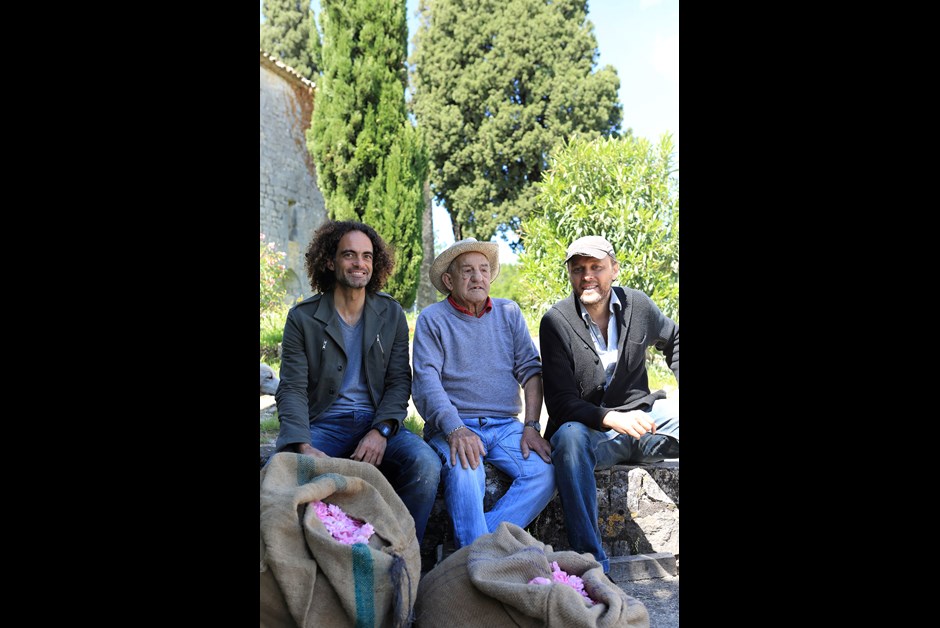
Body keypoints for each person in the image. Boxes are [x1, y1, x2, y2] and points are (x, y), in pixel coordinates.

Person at [274, 220, 441, 543]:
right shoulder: (303, 318)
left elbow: (398, 382)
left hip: (375, 422)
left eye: (366, 256)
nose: (359, 263)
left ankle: (404, 555)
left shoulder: (390, 314)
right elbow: (291, 387)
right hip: (323, 423)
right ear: (329, 261)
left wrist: (382, 430)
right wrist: (303, 444)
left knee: (426, 464)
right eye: (349, 255)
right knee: (285, 475)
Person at [539, 235, 679, 573]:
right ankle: (592, 565)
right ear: (570, 275)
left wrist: (629, 417)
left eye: (596, 267)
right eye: (578, 269)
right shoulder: (555, 322)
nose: (587, 276)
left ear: (614, 270)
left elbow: (674, 338)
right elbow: (560, 404)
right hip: (592, 437)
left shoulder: (638, 306)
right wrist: (611, 418)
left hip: (645, 425)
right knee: (569, 437)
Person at [412, 238, 556, 549]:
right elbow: (426, 381)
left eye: (484, 270)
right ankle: (480, 560)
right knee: (466, 474)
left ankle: (476, 548)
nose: (478, 277)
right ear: (449, 281)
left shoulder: (509, 312)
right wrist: (455, 429)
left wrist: (532, 426)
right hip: (454, 423)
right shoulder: (432, 319)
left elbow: (531, 372)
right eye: (467, 271)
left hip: (504, 426)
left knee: (545, 474)